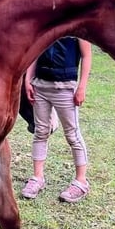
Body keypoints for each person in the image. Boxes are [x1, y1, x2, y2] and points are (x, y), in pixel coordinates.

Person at [21, 36, 92, 203]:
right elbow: (35, 51)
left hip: (65, 87)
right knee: (40, 132)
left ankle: (81, 182)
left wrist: (82, 86)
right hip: (41, 85)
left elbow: (87, 55)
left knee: (72, 135)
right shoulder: (46, 20)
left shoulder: (77, 25)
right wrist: (28, 80)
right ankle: (37, 178)